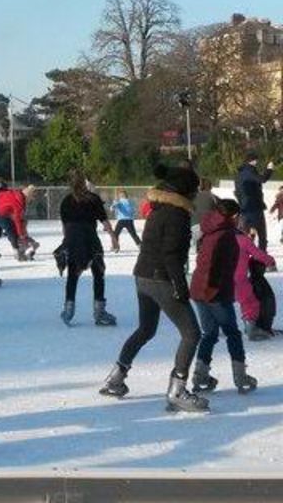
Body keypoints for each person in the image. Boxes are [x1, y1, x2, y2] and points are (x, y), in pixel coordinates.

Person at [100, 163, 208, 413]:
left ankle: (116, 377)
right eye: (193, 189)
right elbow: (171, 254)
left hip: (143, 277)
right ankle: (177, 390)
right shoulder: (177, 215)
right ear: (185, 191)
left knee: (146, 329)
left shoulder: (159, 209)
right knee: (192, 334)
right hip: (161, 279)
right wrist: (181, 286)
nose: (195, 194)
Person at [189, 199, 258, 394]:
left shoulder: (210, 228)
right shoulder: (226, 235)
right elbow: (213, 265)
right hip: (214, 292)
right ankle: (240, 376)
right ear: (234, 216)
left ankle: (201, 376)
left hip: (199, 289)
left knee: (209, 333)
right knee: (232, 333)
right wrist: (213, 291)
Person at [59, 170, 119, 327]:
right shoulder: (93, 199)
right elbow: (104, 222)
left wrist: (67, 244)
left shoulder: (66, 201)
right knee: (98, 273)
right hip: (90, 239)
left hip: (73, 240)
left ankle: (68, 310)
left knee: (72, 276)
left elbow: (65, 227)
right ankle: (99, 312)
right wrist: (113, 237)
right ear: (85, 182)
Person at [234, 150, 273, 252]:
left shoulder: (240, 173)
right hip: (253, 207)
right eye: (256, 160)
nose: (257, 162)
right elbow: (262, 179)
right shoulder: (249, 171)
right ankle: (261, 258)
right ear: (252, 161)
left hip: (245, 207)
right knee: (262, 234)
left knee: (249, 233)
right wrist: (269, 169)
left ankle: (245, 257)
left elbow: (237, 191)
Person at [0, 181, 29, 261]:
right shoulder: (18, 203)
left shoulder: (10, 192)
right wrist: (21, 234)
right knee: (12, 232)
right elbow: (17, 220)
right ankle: (17, 253)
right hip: (1, 214)